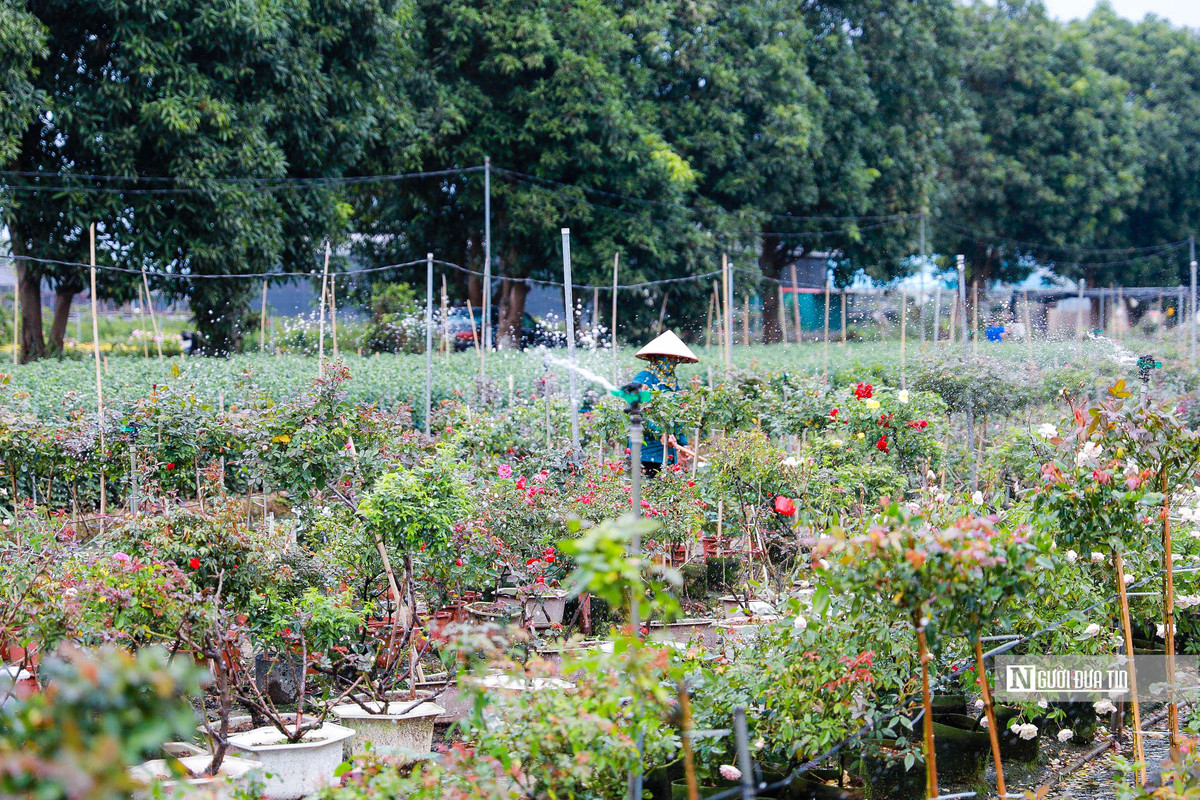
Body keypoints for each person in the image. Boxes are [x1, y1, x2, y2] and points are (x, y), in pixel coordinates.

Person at [630, 330, 698, 477]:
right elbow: (639, 411)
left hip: (667, 450)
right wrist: (660, 432)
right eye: (669, 358)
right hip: (646, 451)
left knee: (667, 490)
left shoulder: (673, 383)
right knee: (649, 491)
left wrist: (683, 443)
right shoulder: (642, 379)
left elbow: (676, 416)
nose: (672, 363)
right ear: (657, 358)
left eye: (675, 359)